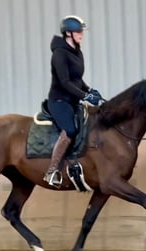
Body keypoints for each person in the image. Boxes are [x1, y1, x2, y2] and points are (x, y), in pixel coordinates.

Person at [43, 15, 104, 187]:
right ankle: (52, 170)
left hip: (73, 100)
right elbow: (65, 82)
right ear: (68, 33)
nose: (81, 34)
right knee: (69, 130)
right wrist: (84, 96)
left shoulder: (77, 52)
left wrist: (89, 90)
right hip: (59, 100)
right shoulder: (59, 54)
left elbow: (77, 79)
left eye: (81, 31)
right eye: (78, 31)